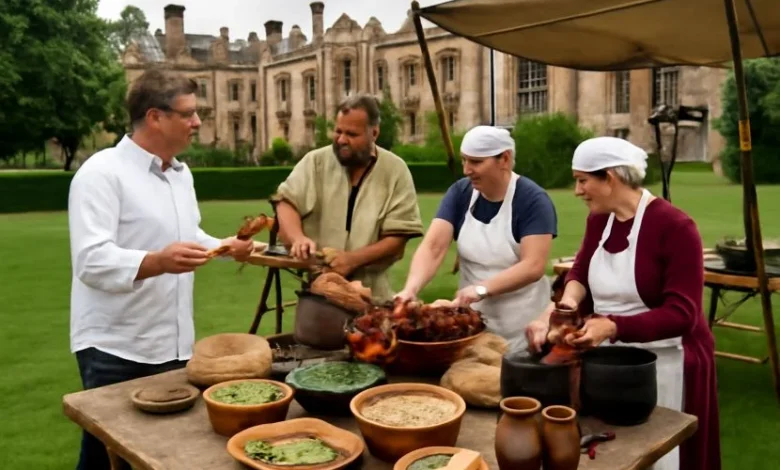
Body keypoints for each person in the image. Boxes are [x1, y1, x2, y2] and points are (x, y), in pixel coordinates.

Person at [67, 68, 254, 470]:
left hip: (173, 345)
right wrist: (157, 261)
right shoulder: (101, 174)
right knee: (105, 454)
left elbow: (188, 235)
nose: (198, 122)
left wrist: (224, 247)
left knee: (160, 453)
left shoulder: (180, 175)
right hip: (115, 346)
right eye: (188, 113)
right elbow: (91, 259)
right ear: (155, 117)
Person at [525, 136, 720, 470]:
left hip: (672, 363)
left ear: (610, 178)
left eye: (582, 180)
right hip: (614, 361)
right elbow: (580, 272)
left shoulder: (676, 227)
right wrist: (564, 307)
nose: (577, 191)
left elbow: (683, 314)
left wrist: (613, 325)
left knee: (665, 458)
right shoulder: (599, 219)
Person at [395, 125, 558, 351]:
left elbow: (533, 266)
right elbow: (434, 247)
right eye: (464, 160)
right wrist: (410, 289)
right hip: (472, 326)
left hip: (523, 328)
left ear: (505, 159)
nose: (466, 170)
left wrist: (481, 289)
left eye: (476, 162)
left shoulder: (532, 200)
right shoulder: (461, 193)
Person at [273, 93, 424, 301]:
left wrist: (352, 260)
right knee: (313, 333)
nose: (342, 139)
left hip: (372, 295)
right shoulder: (315, 162)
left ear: (374, 133)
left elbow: (397, 239)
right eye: (338, 131)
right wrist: (297, 238)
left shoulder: (395, 170)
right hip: (319, 291)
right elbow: (286, 203)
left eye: (352, 134)